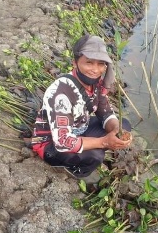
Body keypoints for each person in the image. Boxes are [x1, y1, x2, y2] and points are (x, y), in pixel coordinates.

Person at [31, 34, 132, 179]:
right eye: (89, 62)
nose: (95, 70)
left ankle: (91, 145)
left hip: (78, 129)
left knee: (124, 125)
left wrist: (116, 131)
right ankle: (75, 172)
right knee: (96, 155)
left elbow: (105, 112)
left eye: (100, 64)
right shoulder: (61, 94)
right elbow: (63, 142)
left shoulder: (96, 84)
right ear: (75, 62)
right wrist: (104, 142)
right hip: (52, 144)